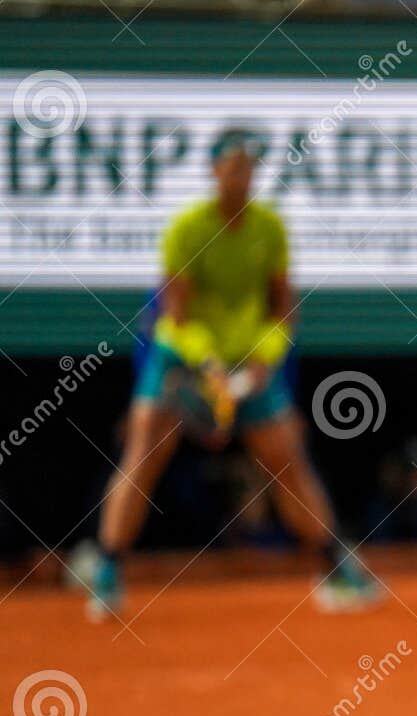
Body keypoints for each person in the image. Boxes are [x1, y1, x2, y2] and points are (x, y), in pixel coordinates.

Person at [76, 129, 380, 621]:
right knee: (143, 451)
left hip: (248, 364)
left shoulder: (270, 228)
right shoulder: (187, 229)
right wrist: (207, 366)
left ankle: (334, 568)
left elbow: (283, 311)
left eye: (251, 166)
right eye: (234, 165)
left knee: (287, 459)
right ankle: (108, 570)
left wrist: (262, 362)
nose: (243, 174)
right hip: (181, 360)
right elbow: (174, 315)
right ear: (214, 171)